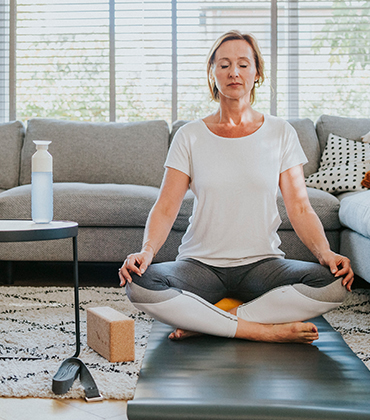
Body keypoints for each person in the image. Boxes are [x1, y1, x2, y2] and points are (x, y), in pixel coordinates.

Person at [118, 30, 354, 344]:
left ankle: (209, 321)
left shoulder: (281, 133)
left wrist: (325, 253)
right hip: (199, 265)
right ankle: (262, 331)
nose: (234, 72)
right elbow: (165, 207)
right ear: (212, 73)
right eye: (225, 64)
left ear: (257, 73)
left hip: (263, 265)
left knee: (334, 283)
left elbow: (299, 206)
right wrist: (146, 252)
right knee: (139, 283)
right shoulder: (190, 136)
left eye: (243, 64)